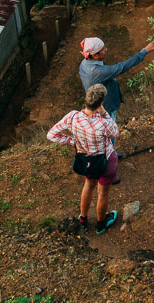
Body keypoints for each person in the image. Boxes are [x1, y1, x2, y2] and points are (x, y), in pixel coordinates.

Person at [47, 83, 122, 233]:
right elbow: (115, 132)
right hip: (105, 161)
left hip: (86, 161)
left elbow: (51, 134)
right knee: (103, 193)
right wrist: (104, 113)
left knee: (88, 185)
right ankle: (100, 225)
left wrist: (72, 141)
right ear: (100, 103)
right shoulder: (103, 122)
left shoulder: (73, 116)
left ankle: (83, 219)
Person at [78, 35, 154, 122]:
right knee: (110, 131)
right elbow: (123, 67)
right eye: (103, 49)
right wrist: (144, 51)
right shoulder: (97, 72)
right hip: (105, 109)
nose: (106, 50)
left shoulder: (85, 63)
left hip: (96, 105)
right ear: (95, 55)